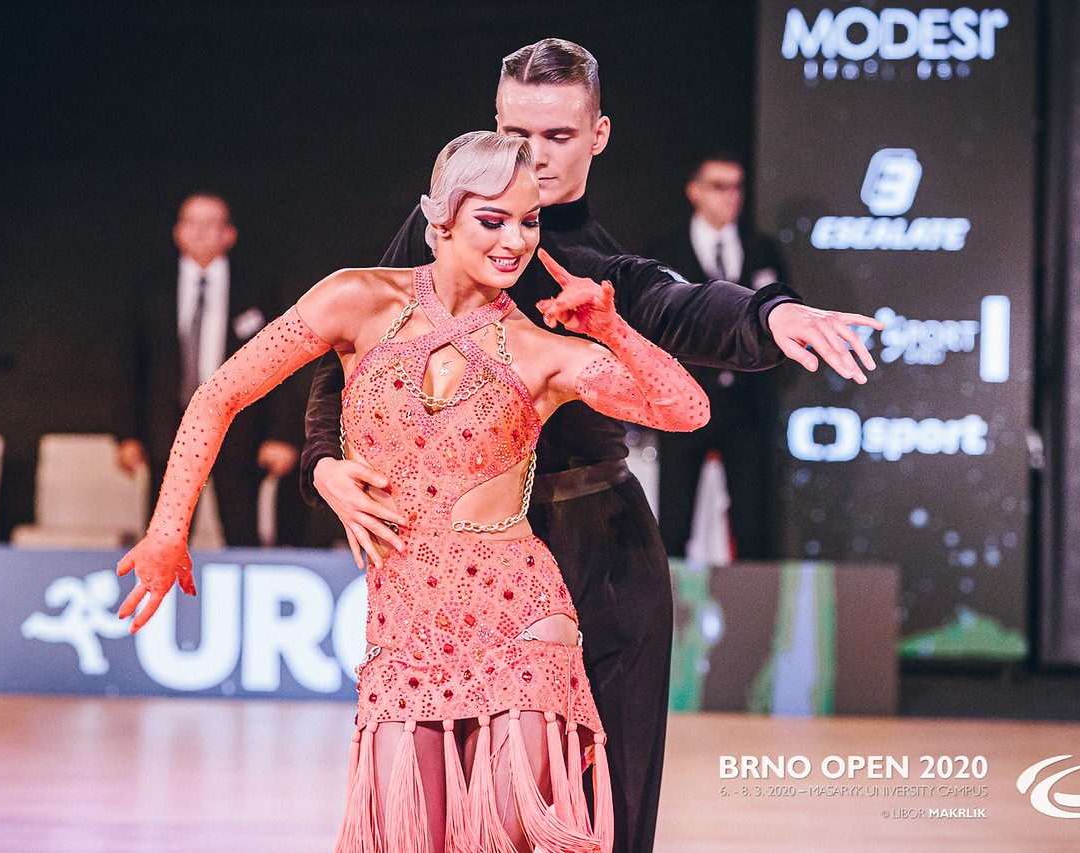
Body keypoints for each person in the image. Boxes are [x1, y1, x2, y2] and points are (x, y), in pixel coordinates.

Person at [299, 39, 882, 853]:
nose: (532, 156)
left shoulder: (599, 265)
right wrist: (323, 463)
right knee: (459, 818)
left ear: (598, 135)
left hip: (598, 550)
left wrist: (771, 313)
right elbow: (348, 355)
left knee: (609, 814)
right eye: (515, 131)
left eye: (558, 136)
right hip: (466, 564)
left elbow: (684, 306)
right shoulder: (438, 232)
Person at [116, 132, 709, 853]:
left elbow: (687, 409)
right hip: (403, 629)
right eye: (492, 219)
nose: (515, 240)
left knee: (509, 836)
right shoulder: (356, 298)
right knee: (408, 835)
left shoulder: (539, 350)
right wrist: (167, 529)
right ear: (441, 219)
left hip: (519, 617)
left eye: (528, 221)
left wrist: (614, 330)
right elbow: (219, 395)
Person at [115, 193, 302, 546]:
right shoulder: (151, 290)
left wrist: (281, 433)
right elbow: (131, 367)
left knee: (242, 536)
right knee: (165, 537)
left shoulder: (257, 289)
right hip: (169, 431)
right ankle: (161, 583)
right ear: (177, 232)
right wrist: (127, 434)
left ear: (229, 234)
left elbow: (283, 363)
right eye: (191, 223)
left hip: (238, 429)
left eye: (210, 223)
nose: (200, 231)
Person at [647, 152, 791, 561]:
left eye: (737, 187)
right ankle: (672, 601)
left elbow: (781, 318)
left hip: (747, 407)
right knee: (673, 524)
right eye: (719, 186)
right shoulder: (666, 252)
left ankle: (752, 605)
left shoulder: (761, 250)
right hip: (684, 403)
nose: (731, 196)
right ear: (694, 192)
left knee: (752, 528)